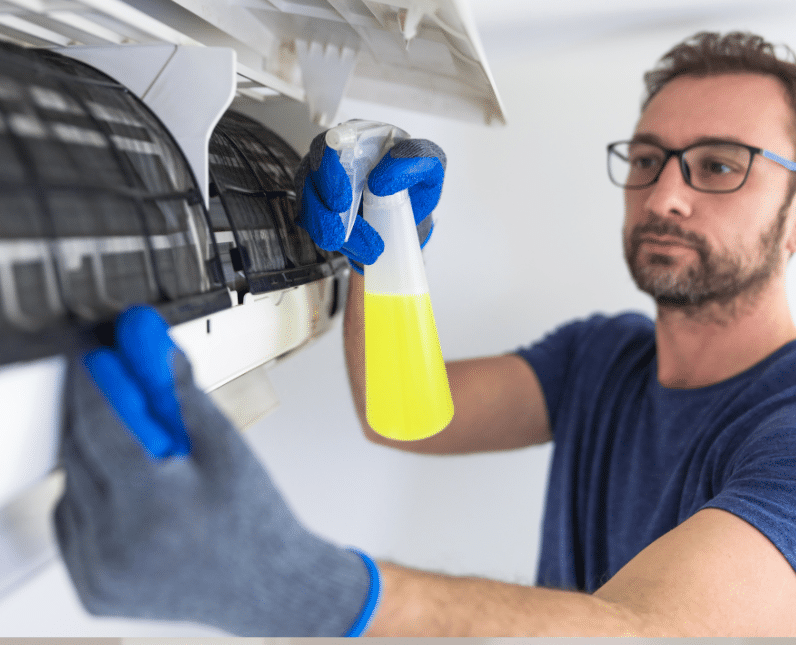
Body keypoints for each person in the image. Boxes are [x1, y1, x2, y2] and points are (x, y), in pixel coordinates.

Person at [54, 31, 796, 635]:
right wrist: (384, 243)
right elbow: (403, 415)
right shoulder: (605, 359)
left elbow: (645, 632)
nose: (665, 194)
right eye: (646, 159)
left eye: (719, 166)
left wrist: (310, 588)